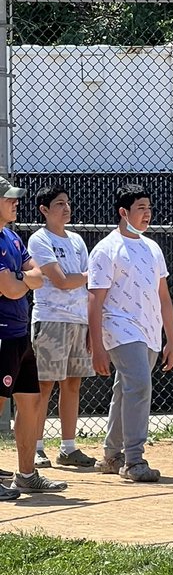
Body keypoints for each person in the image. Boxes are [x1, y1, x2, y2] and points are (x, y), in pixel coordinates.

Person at [87, 186, 173, 483]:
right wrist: (96, 344)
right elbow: (95, 300)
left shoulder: (152, 248)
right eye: (140, 208)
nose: (147, 213)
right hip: (119, 326)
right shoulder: (106, 249)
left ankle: (112, 456)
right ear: (123, 213)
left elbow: (163, 297)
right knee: (139, 385)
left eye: (149, 207)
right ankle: (134, 460)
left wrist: (171, 338)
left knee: (125, 389)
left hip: (149, 330)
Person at [0, 176, 69, 497]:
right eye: (9, 199)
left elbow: (38, 276)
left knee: (29, 404)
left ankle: (26, 475)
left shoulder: (12, 238)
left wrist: (21, 278)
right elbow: (12, 288)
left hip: (19, 334)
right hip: (2, 336)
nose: (15, 203)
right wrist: (23, 279)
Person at [28, 186, 96, 469]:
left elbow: (81, 281)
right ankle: (35, 447)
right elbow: (61, 280)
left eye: (67, 203)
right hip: (50, 319)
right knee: (43, 385)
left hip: (78, 320)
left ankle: (68, 448)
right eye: (59, 204)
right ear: (44, 210)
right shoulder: (39, 239)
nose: (66, 208)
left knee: (72, 384)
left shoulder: (78, 241)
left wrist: (91, 325)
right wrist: (84, 275)